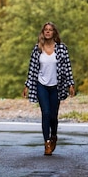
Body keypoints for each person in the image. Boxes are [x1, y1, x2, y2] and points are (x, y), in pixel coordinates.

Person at [23, 22, 75, 156]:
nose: (47, 32)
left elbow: (68, 67)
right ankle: (46, 143)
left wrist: (71, 84)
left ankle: (54, 136)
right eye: (45, 30)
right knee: (45, 113)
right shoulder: (37, 49)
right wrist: (27, 85)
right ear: (43, 32)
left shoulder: (62, 48)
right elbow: (32, 69)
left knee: (53, 116)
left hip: (57, 86)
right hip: (42, 85)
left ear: (54, 33)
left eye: (50, 30)